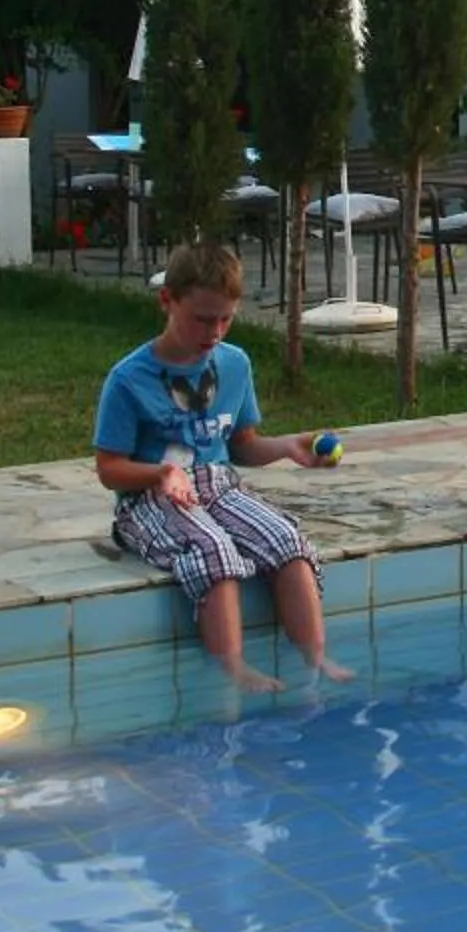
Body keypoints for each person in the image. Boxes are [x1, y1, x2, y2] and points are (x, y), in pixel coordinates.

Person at [93, 238, 350, 690]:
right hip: (149, 498)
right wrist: (161, 473)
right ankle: (232, 668)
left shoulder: (234, 364)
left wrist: (288, 447)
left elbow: (242, 446)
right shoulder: (130, 378)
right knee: (213, 549)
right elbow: (109, 468)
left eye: (225, 319)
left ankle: (314, 657)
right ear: (166, 301)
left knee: (287, 541)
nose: (214, 332)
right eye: (202, 319)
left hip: (218, 486)